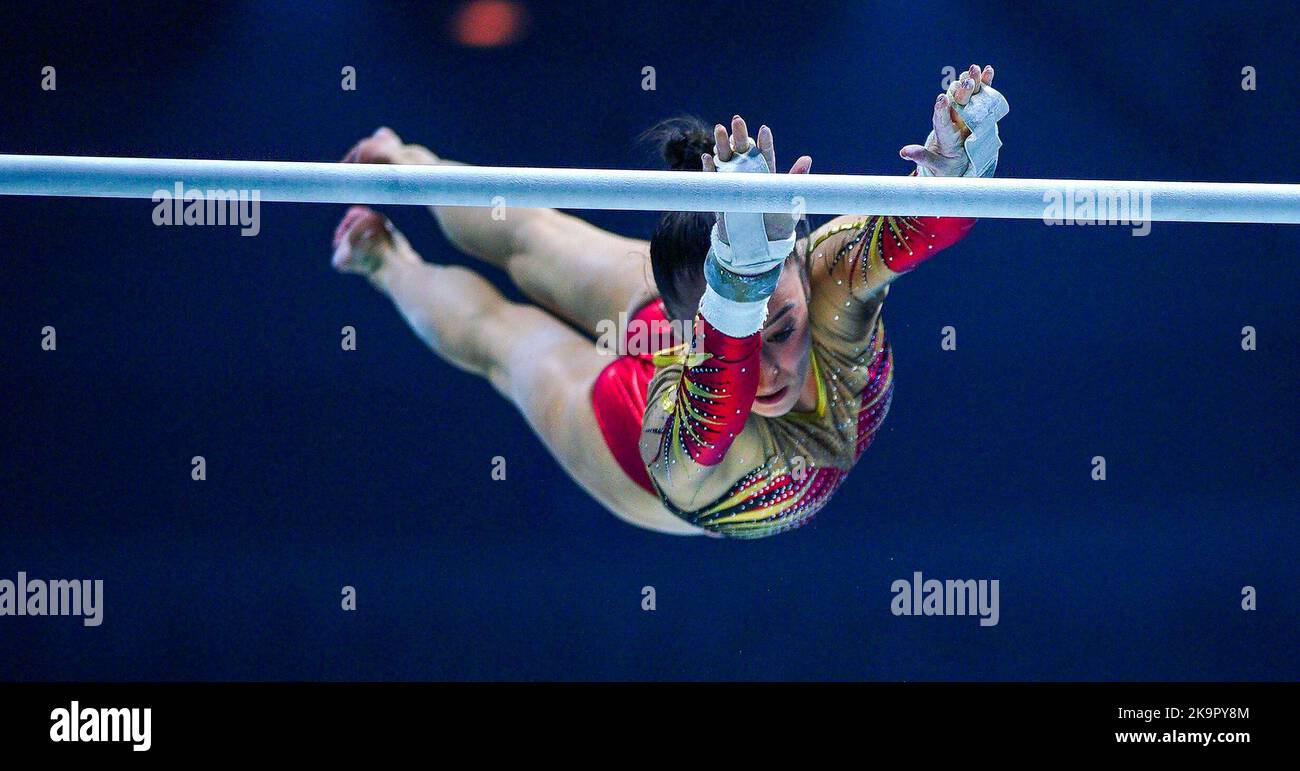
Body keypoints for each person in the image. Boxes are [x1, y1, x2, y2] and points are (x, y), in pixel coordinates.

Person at [332, 64, 1007, 538]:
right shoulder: (691, 402)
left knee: (499, 338)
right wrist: (728, 299)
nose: (771, 367)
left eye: (783, 326)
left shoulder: (824, 271)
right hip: (674, 384)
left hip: (628, 448)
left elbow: (921, 224)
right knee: (528, 236)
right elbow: (718, 378)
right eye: (754, 326)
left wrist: (954, 171)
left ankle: (383, 261)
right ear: (684, 317)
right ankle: (410, 163)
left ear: (803, 264)